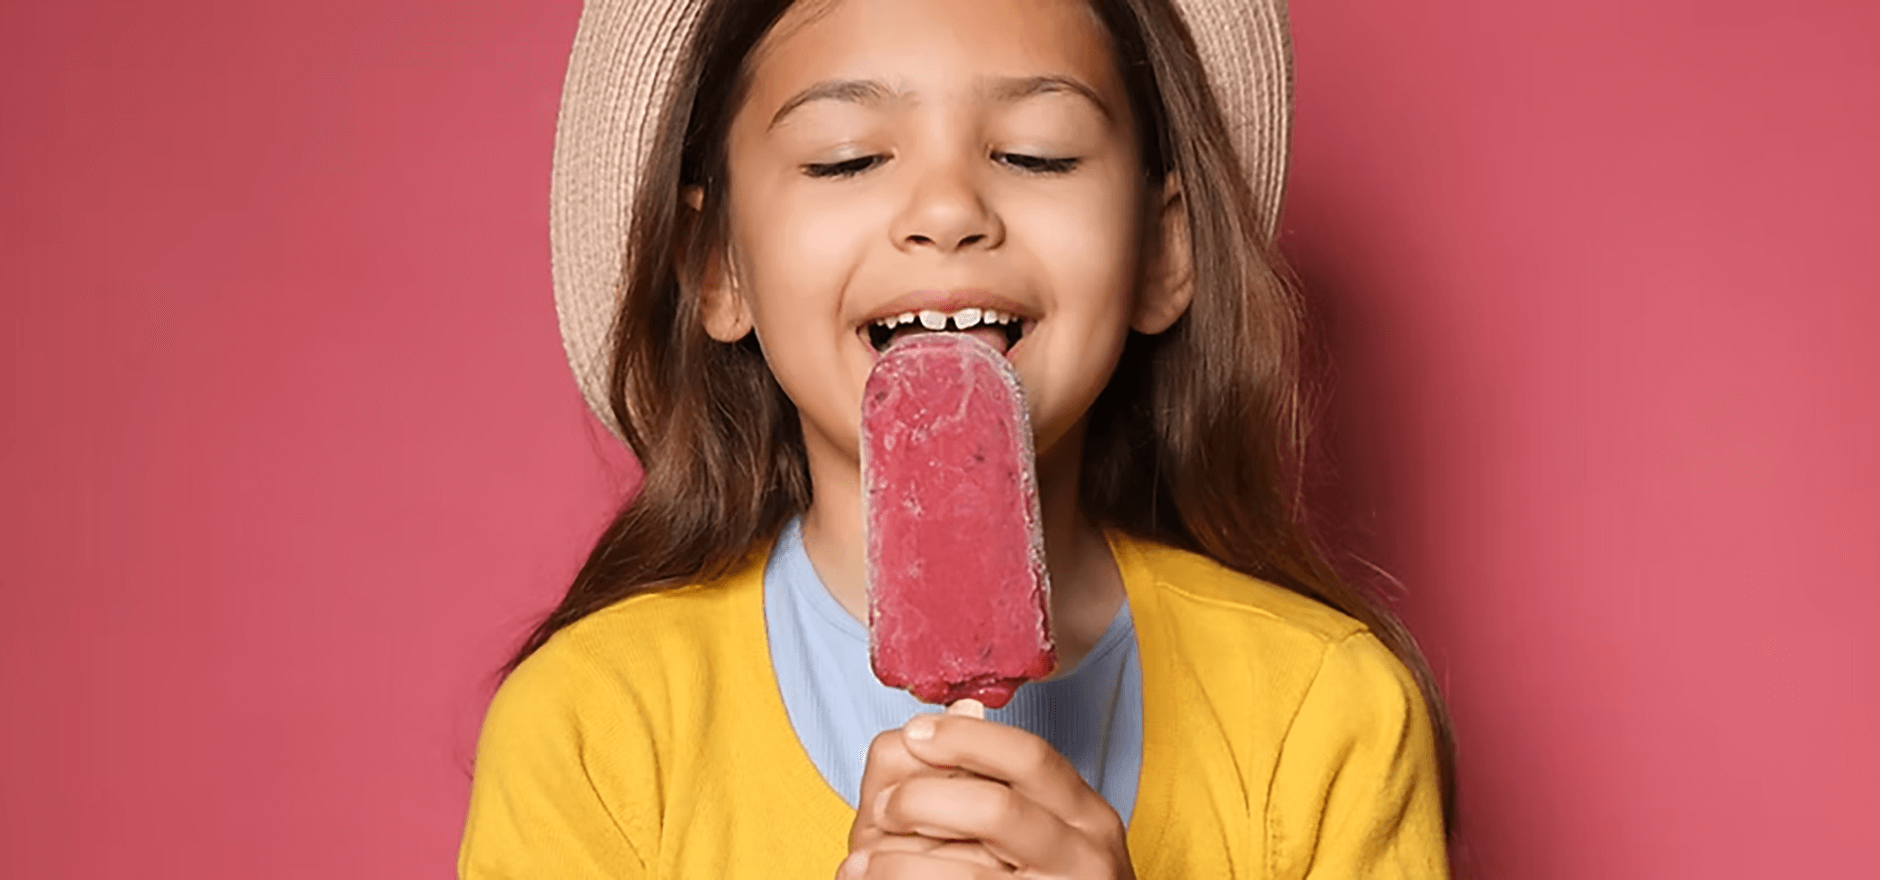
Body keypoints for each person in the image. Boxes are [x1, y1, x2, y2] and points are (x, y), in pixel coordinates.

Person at [459, 0, 1455, 876]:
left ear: (1163, 249)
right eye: (846, 157)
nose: (946, 212)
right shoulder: (593, 727)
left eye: (1036, 153)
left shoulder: (1322, 712)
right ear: (714, 264)